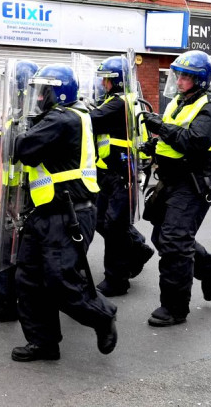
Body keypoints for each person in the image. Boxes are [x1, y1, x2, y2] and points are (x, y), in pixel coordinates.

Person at [9, 63, 118, 361]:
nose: (39, 97)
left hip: (67, 214)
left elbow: (21, 149)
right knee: (29, 279)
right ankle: (43, 342)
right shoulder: (55, 118)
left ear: (58, 93)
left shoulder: (63, 120)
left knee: (60, 281)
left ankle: (101, 315)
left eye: (44, 91)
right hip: (44, 212)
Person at [140, 50, 211, 327]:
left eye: (186, 77)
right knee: (161, 237)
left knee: (175, 243)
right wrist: (153, 147)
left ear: (200, 81)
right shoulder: (178, 103)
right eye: (177, 75)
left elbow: (193, 142)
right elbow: (172, 140)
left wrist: (160, 128)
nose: (179, 81)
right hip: (171, 179)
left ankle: (175, 308)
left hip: (194, 181)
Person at [0, 60, 38, 323]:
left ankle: (3, 303)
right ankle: (26, 301)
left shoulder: (26, 118)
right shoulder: (33, 114)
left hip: (20, 196)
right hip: (30, 194)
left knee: (1, 246)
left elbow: (1, 149)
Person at [89, 56, 154, 296]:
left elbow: (91, 120)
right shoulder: (114, 101)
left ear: (116, 81)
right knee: (101, 221)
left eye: (106, 79)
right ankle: (138, 248)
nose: (102, 83)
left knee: (115, 227)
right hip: (108, 171)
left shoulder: (120, 102)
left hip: (121, 173)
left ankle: (116, 280)